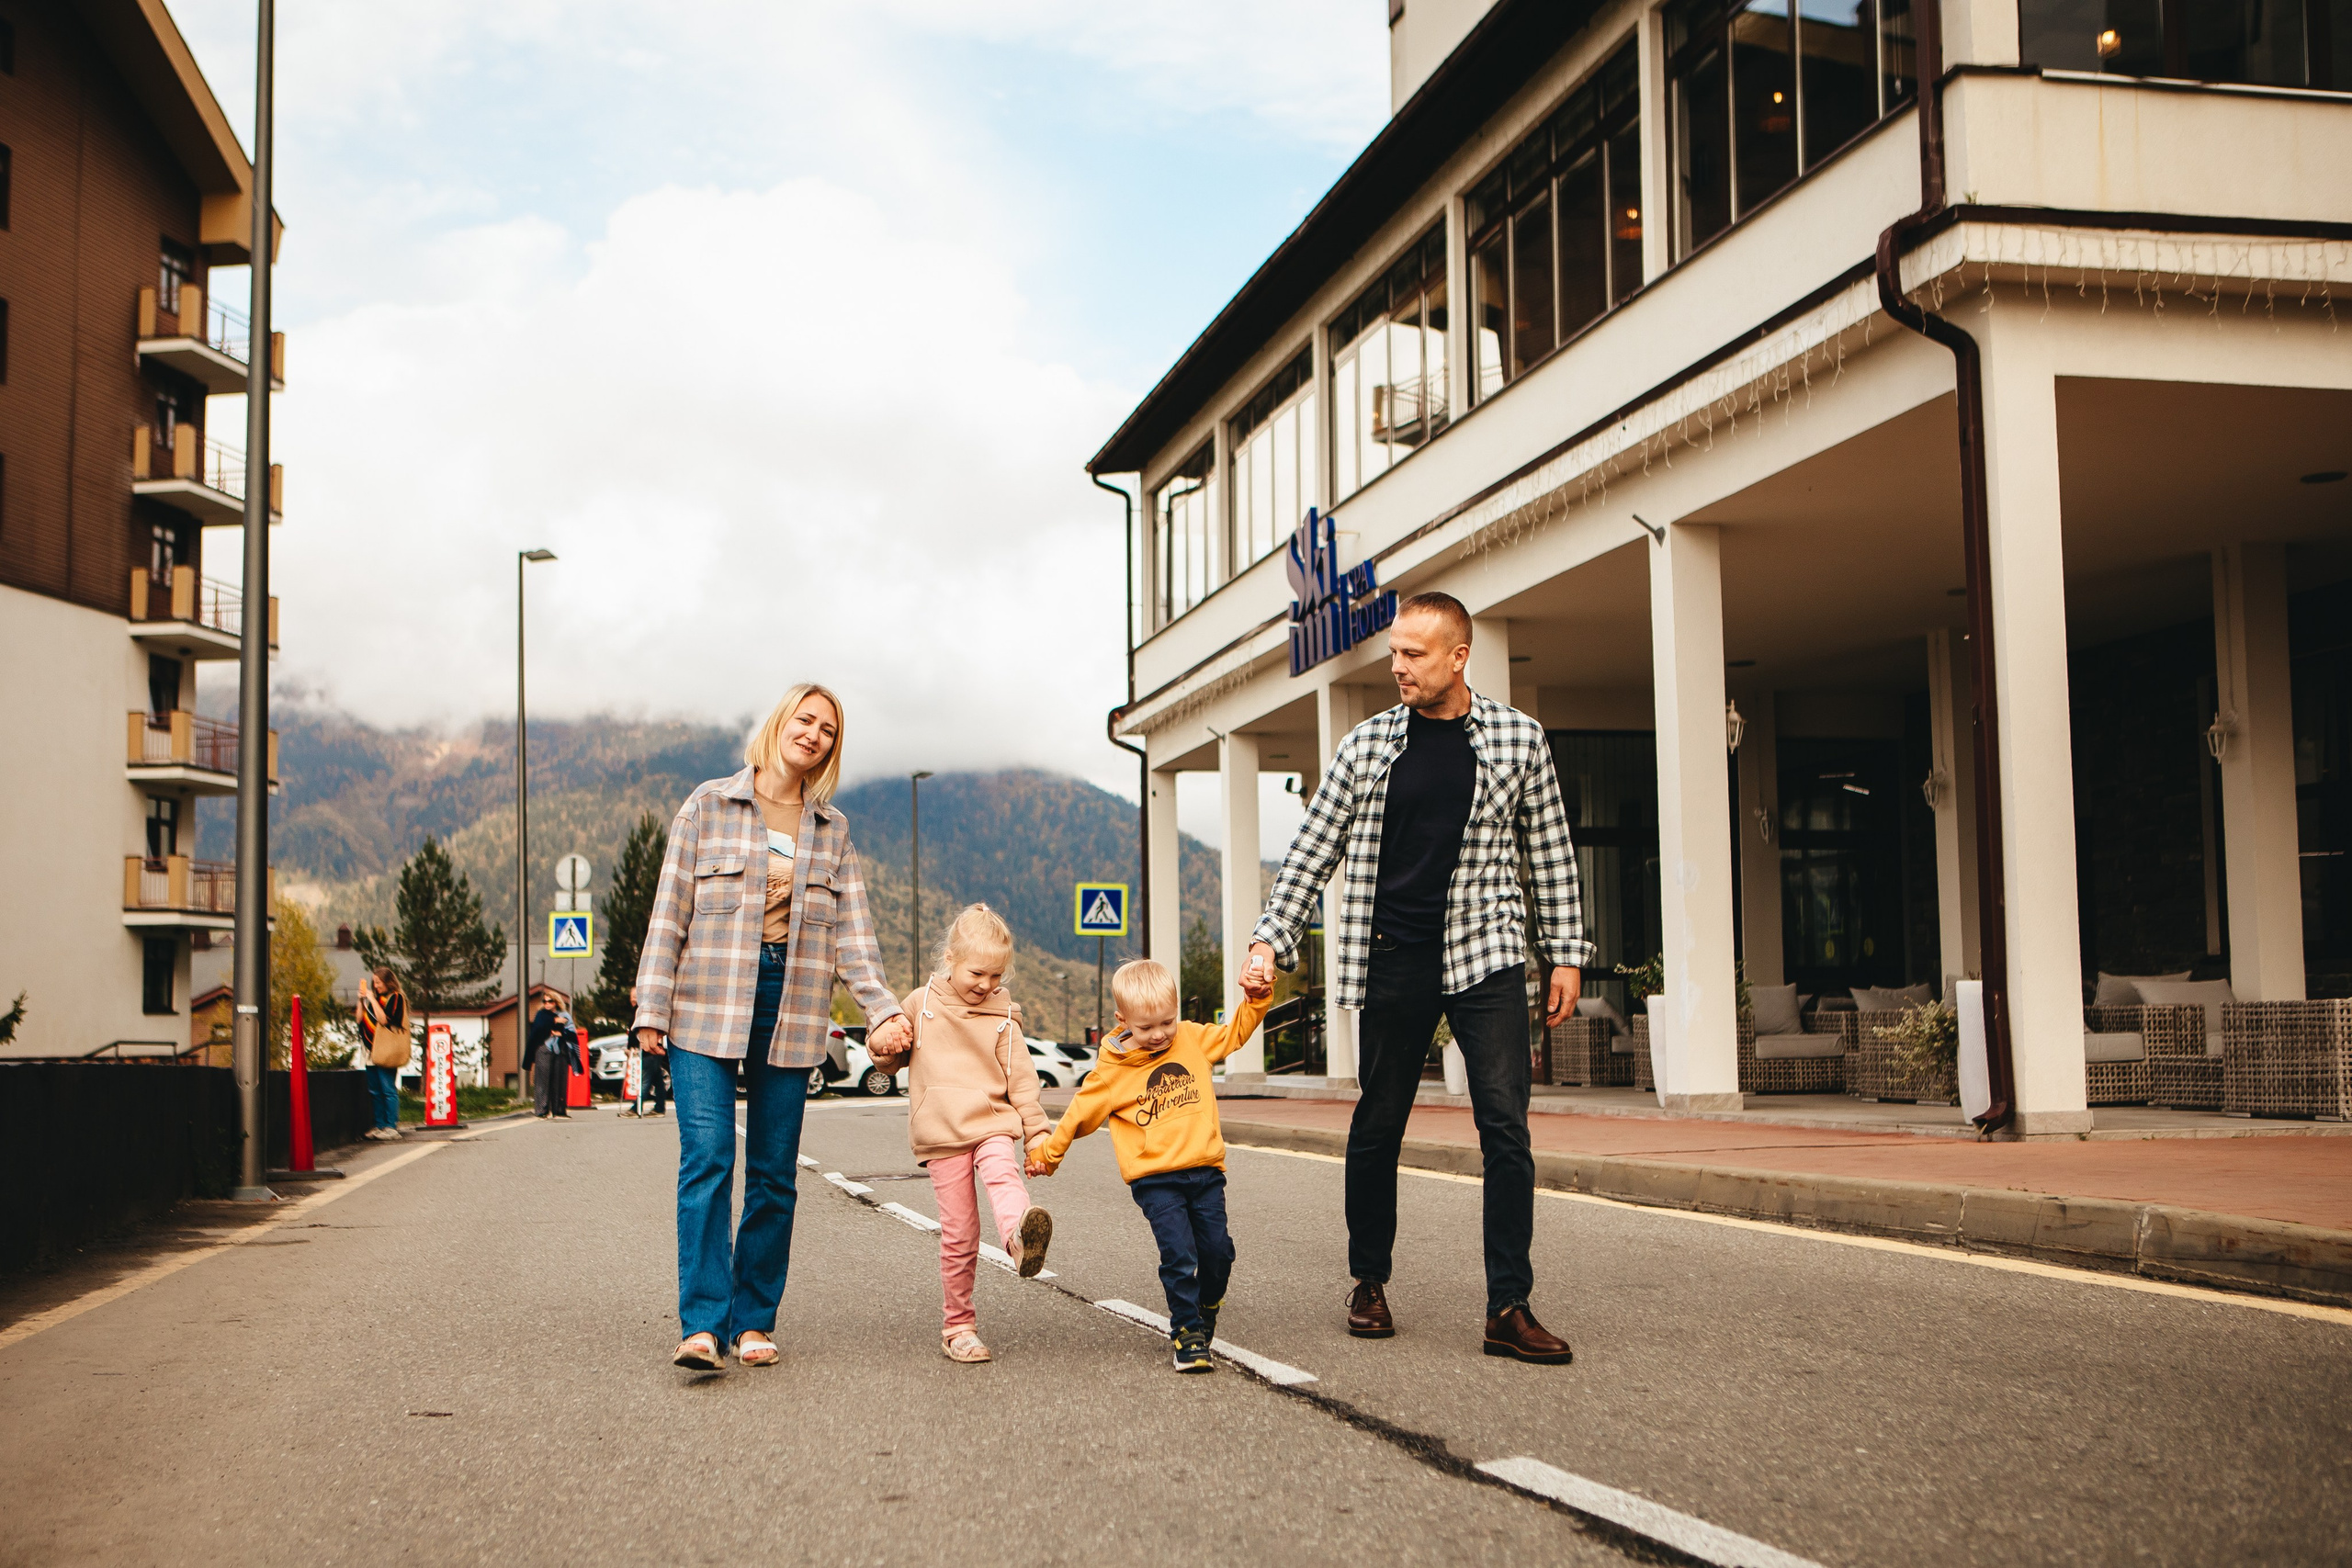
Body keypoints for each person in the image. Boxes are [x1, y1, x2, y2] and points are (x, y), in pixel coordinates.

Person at [1248, 591, 1589, 1365]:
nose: (1396, 666)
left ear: (1458, 657)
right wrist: (1271, 939)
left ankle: (1509, 1305)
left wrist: (1564, 949)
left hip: (1487, 953)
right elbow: (1312, 852)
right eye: (1394, 652)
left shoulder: (1518, 739)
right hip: (1393, 952)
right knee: (1379, 1122)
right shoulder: (1366, 746)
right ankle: (1368, 1282)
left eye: (1414, 654)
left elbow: (1551, 852)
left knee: (1505, 1125)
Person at [632, 683, 911, 1373]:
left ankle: (752, 1319)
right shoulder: (708, 804)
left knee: (774, 1174)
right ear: (780, 724)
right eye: (804, 719)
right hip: (704, 1005)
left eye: (827, 729)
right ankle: (702, 1323)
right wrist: (651, 1007)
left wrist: (884, 1009)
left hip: (792, 1005)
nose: (813, 734)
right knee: (707, 1160)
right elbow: (670, 911)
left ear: (831, 748)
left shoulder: (832, 829)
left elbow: (854, 937)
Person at [1027, 958, 1272, 1372]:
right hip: (1156, 1180)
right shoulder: (1111, 1072)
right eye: (1146, 1028)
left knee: (1218, 1254)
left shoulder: (1192, 1039)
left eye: (1167, 1022)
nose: (1159, 1035)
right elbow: (1076, 1117)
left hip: (1206, 1173)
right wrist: (1047, 1157)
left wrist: (1258, 1000)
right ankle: (1187, 1331)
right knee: (1180, 1255)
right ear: (1123, 1021)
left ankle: (1208, 1302)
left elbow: (1233, 1034)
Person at [872, 904, 1054, 1364]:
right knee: (960, 1231)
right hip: (941, 1132)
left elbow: (1022, 1080)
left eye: (996, 976)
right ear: (949, 958)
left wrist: (1036, 1135)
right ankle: (958, 1326)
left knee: (1003, 1176)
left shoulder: (1002, 1014)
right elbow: (889, 1058)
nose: (987, 985)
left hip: (991, 1120)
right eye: (978, 973)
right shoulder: (920, 1003)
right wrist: (881, 1043)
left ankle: (1019, 1237)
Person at [357, 968, 410, 1141]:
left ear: (388, 982)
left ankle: (391, 1126)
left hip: (385, 1049)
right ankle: (380, 1125)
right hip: (370, 1049)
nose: (376, 986)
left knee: (388, 1089)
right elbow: (359, 1019)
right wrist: (361, 1000)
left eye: (378, 982)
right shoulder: (374, 999)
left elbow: (384, 1019)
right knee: (375, 1090)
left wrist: (372, 999)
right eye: (374, 982)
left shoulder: (395, 998)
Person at [537, 1009, 583, 1118]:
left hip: (561, 1050)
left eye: (551, 1001)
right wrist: (553, 1022)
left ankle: (559, 1109)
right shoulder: (541, 1015)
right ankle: (543, 1110)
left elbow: (571, 1034)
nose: (548, 1003)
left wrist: (561, 1033)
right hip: (545, 1049)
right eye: (545, 1001)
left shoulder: (564, 1015)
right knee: (543, 1081)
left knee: (559, 1079)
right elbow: (537, 1029)